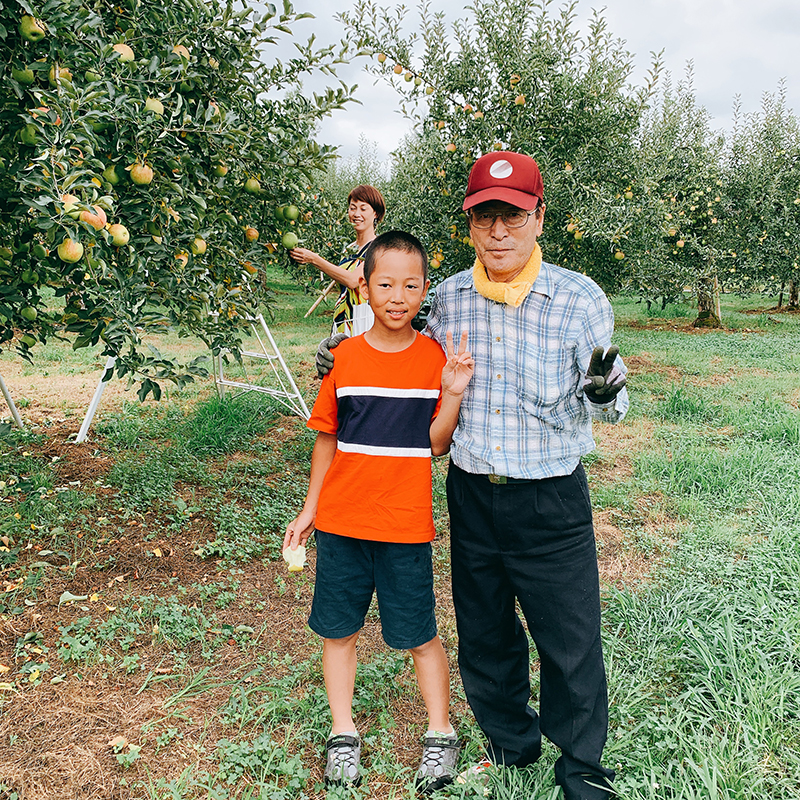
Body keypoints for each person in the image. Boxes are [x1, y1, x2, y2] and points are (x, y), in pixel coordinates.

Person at [316, 151, 628, 800]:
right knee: (485, 634)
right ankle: (510, 747)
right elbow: (394, 339)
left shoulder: (578, 300)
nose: (500, 233)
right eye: (485, 218)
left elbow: (610, 392)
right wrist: (342, 351)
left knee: (569, 644)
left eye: (513, 216)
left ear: (540, 218)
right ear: (470, 225)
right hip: (472, 494)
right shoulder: (451, 298)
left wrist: (603, 383)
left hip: (550, 500)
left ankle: (582, 772)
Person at [284, 230, 475, 793]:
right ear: (362, 287)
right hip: (343, 522)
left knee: (419, 633)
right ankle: (343, 734)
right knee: (339, 631)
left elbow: (436, 443)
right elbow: (326, 440)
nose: (397, 296)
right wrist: (310, 509)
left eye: (410, 285)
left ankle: (440, 734)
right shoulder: (343, 359)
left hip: (403, 525)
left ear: (424, 291)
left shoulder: (433, 358)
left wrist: (455, 391)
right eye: (384, 283)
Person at [289, 184, 385, 335]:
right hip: (343, 319)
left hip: (364, 320)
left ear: (376, 214)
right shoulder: (349, 249)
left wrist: (314, 259)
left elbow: (353, 281)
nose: (356, 213)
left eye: (363, 208)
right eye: (352, 208)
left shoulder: (379, 248)